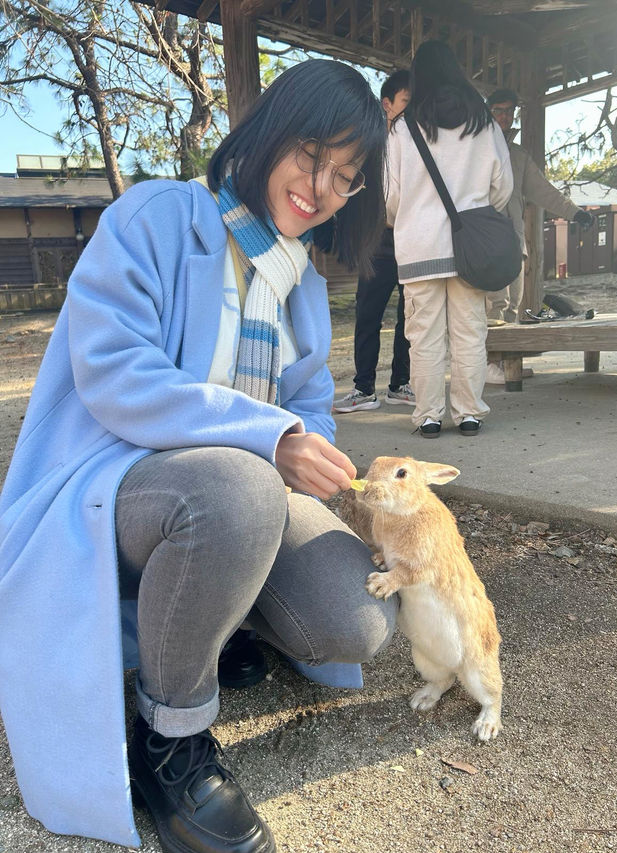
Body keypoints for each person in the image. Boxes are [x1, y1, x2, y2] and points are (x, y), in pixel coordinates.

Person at [0, 59, 397, 853]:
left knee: (361, 615)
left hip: (226, 498)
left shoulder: (303, 285)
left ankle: (213, 622)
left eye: (345, 177)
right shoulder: (154, 216)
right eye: (311, 153)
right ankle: (170, 735)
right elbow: (115, 371)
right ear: (269, 132)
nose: (318, 187)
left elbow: (308, 402)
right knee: (239, 488)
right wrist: (270, 437)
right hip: (115, 483)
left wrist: (313, 452)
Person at [385, 41, 513, 438]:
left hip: (420, 246)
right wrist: (475, 214)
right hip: (469, 250)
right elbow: (502, 187)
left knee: (423, 336)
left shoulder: (403, 128)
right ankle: (470, 412)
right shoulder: (484, 123)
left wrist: (405, 218)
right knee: (470, 332)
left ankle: (427, 416)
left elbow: (391, 196)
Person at [485, 87, 594, 383]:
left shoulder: (518, 155)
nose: (504, 116)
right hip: (485, 240)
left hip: (513, 241)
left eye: (509, 110)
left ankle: (505, 364)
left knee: (513, 303)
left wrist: (576, 213)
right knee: (495, 304)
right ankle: (487, 365)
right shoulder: (475, 148)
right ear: (487, 112)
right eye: (498, 110)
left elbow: (543, 190)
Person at [333, 70, 414, 413]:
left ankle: (400, 384)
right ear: (388, 104)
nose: (413, 110)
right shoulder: (369, 143)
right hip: (377, 239)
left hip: (412, 237)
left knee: (408, 317)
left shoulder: (420, 143)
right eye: (407, 103)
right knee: (368, 315)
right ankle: (363, 388)